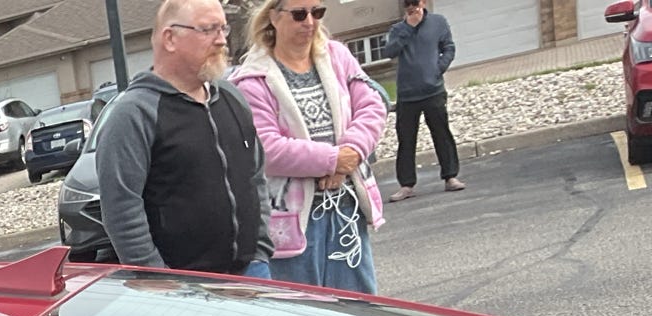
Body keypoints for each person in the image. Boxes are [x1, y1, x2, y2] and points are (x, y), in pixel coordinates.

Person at [95, 0, 275, 277]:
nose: (222, 40)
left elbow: (256, 177)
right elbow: (121, 209)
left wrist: (260, 250)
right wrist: (158, 277)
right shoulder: (134, 114)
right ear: (170, 38)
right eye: (208, 29)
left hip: (252, 273)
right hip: (183, 290)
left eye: (223, 28)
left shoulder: (232, 98)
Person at [231, 1, 388, 292]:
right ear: (273, 17)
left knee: (359, 311)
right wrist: (332, 160)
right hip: (292, 222)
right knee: (304, 312)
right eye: (299, 14)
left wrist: (351, 153)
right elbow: (268, 148)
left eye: (317, 12)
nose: (310, 22)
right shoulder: (251, 79)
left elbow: (372, 106)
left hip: (346, 209)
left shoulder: (338, 56)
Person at [384, 0, 462, 197]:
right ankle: (406, 185)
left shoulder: (438, 22)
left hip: (433, 90)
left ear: (423, 2)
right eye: (407, 5)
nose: (412, 7)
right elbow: (390, 51)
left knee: (442, 134)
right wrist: (408, 29)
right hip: (407, 95)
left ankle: (450, 177)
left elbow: (449, 47)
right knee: (406, 140)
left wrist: (438, 68)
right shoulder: (397, 29)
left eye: (414, 3)